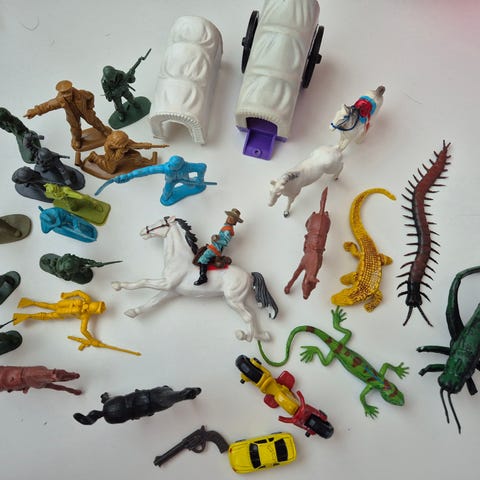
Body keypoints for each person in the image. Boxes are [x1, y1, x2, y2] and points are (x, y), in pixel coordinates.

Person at [25, 80, 111, 150]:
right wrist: (35, 111)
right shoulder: (59, 101)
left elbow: (91, 96)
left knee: (94, 121)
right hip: (72, 116)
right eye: (64, 94)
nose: (67, 96)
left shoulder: (81, 93)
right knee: (75, 129)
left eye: (68, 93)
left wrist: (90, 107)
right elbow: (47, 105)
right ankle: (77, 140)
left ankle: (104, 130)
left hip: (85, 111)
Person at [194, 209, 244, 286]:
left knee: (203, 258)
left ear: (235, 222)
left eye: (232, 218)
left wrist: (217, 239)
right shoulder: (226, 226)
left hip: (215, 248)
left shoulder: (228, 230)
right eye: (229, 217)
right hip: (214, 245)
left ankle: (203, 277)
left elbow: (225, 242)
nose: (229, 219)